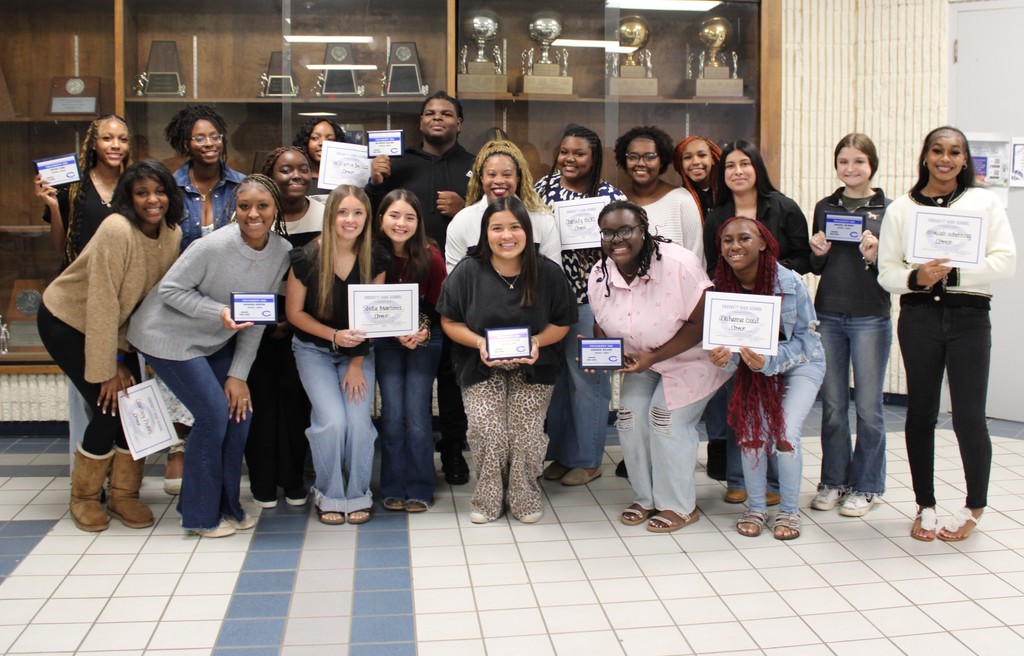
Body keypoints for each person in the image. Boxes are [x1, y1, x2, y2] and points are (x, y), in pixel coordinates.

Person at [127, 174, 291, 538]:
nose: (252, 214)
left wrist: (239, 375)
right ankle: (200, 516)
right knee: (213, 414)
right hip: (165, 336)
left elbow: (256, 318)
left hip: (211, 341)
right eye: (244, 206)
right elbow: (170, 290)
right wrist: (217, 312)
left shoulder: (281, 252)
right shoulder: (213, 245)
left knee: (239, 415)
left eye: (262, 206)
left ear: (275, 209)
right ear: (234, 207)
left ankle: (228, 506)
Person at [878, 126, 1016, 542]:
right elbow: (887, 272)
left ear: (965, 158)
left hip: (969, 317)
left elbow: (1005, 261)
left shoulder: (984, 202)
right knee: (920, 413)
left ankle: (974, 506)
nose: (945, 158)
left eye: (955, 152)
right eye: (937, 150)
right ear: (925, 156)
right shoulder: (902, 208)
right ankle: (926, 505)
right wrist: (915, 276)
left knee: (970, 416)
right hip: (919, 317)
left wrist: (954, 273)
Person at [37, 160, 182, 532]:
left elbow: (150, 301)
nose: (153, 200)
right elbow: (102, 303)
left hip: (117, 330)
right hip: (69, 321)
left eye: (160, 190)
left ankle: (123, 495)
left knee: (134, 408)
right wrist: (109, 367)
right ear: (127, 198)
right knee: (109, 408)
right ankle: (84, 497)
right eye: (142, 192)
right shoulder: (117, 229)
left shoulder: (172, 234)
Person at [588, 201, 729, 532]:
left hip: (691, 355)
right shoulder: (600, 272)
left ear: (643, 228)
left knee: (663, 417)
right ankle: (646, 497)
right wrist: (607, 354)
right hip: (643, 360)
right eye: (608, 233)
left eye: (625, 230)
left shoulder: (678, 263)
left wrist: (652, 357)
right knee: (630, 417)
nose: (617, 239)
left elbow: (700, 321)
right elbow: (600, 321)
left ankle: (679, 505)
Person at [437, 196, 576, 523]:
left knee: (525, 431)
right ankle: (488, 494)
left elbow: (563, 321)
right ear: (486, 233)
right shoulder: (468, 272)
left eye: (514, 227)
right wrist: (479, 343)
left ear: (527, 231)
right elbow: (450, 321)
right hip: (480, 363)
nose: (506, 235)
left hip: (534, 366)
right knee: (488, 428)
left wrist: (538, 342)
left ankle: (524, 491)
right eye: (496, 228)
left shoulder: (547, 273)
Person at [365, 90, 475, 485]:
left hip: (458, 282)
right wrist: (375, 181)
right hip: (398, 283)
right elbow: (369, 215)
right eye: (430, 113)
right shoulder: (397, 162)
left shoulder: (474, 165)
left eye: (447, 113)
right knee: (403, 386)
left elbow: (496, 220)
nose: (438, 118)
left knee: (451, 374)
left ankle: (452, 452)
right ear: (421, 121)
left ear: (459, 122)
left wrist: (466, 208)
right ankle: (410, 457)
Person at [704, 139, 812, 504]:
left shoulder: (783, 207)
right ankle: (741, 482)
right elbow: (713, 265)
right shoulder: (717, 215)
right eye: (730, 166)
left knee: (780, 419)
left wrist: (766, 284)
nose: (737, 171)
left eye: (744, 164)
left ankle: (780, 490)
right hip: (741, 323)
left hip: (782, 324)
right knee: (744, 407)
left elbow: (803, 257)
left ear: (757, 168)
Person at [708, 217, 825, 540]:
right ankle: (756, 507)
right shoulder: (720, 287)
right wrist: (723, 357)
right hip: (754, 368)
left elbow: (807, 340)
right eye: (727, 241)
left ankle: (789, 511)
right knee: (751, 435)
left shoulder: (788, 282)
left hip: (800, 363)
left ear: (762, 243)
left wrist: (769, 360)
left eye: (744, 238)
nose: (735, 246)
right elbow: (729, 348)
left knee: (785, 434)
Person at [34, 114, 132, 471]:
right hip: (78, 303)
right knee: (89, 396)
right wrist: (53, 208)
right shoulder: (73, 187)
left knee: (119, 396)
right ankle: (86, 476)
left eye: (122, 139)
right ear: (93, 143)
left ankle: (118, 479)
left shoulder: (133, 186)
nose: (115, 146)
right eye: (108, 138)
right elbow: (61, 247)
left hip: (121, 304)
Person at [286, 185, 388, 526]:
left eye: (357, 213)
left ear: (367, 218)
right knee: (331, 422)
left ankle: (358, 493)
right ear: (330, 215)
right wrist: (333, 335)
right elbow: (295, 314)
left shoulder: (376, 256)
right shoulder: (305, 257)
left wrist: (357, 362)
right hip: (313, 349)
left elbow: (371, 317)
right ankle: (329, 493)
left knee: (359, 424)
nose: (350, 219)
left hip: (358, 354)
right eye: (343, 212)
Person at [534, 124, 626, 487]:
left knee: (589, 381)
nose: (569, 159)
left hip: (594, 303)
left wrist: (604, 244)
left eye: (579, 153)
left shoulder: (610, 196)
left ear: (594, 158)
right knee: (555, 383)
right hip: (550, 303)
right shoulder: (543, 189)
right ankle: (561, 454)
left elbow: (625, 246)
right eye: (565, 152)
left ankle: (588, 459)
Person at [808, 133, 892, 517]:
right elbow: (818, 266)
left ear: (871, 164)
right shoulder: (826, 206)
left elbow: (893, 272)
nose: (851, 168)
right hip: (828, 313)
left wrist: (875, 256)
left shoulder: (889, 210)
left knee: (870, 408)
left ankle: (867, 485)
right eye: (844, 161)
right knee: (833, 406)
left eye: (859, 161)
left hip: (870, 315)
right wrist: (818, 253)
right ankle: (833, 480)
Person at [243, 147, 325, 509]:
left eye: (303, 169)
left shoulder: (326, 215)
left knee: (296, 406)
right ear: (269, 176)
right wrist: (270, 320)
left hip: (308, 324)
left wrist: (294, 320)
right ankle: (262, 483)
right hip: (255, 325)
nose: (295, 175)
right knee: (259, 405)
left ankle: (293, 480)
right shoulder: (256, 216)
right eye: (285, 169)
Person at [375, 189, 447, 513]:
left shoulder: (430, 256)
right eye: (394, 215)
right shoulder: (372, 255)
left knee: (417, 414)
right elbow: (369, 306)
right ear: (380, 219)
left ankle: (419, 485)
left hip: (424, 337)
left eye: (409, 217)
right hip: (385, 340)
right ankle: (392, 484)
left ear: (418, 222)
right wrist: (393, 330)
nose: (401, 223)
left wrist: (421, 330)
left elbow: (439, 307)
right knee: (392, 414)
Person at [445, 139, 562, 272]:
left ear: (518, 178)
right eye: (491, 174)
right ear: (481, 178)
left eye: (507, 174)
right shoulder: (462, 222)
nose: (499, 181)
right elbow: (455, 282)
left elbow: (554, 277)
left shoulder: (542, 220)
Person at [613, 126, 704, 260]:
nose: (640, 163)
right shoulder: (616, 199)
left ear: (661, 161)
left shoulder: (681, 199)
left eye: (649, 157)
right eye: (633, 157)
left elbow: (696, 256)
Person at [164, 104, 246, 251]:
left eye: (215, 137)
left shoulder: (242, 186)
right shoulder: (171, 188)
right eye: (200, 138)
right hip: (184, 272)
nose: (209, 143)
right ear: (186, 144)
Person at [673, 135, 723, 223]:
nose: (695, 162)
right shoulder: (678, 199)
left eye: (702, 155)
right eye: (688, 157)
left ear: (713, 159)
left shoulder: (727, 193)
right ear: (681, 164)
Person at [293, 117, 344, 194]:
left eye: (330, 139)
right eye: (315, 138)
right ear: (306, 142)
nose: (322, 143)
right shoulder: (297, 178)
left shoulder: (345, 181)